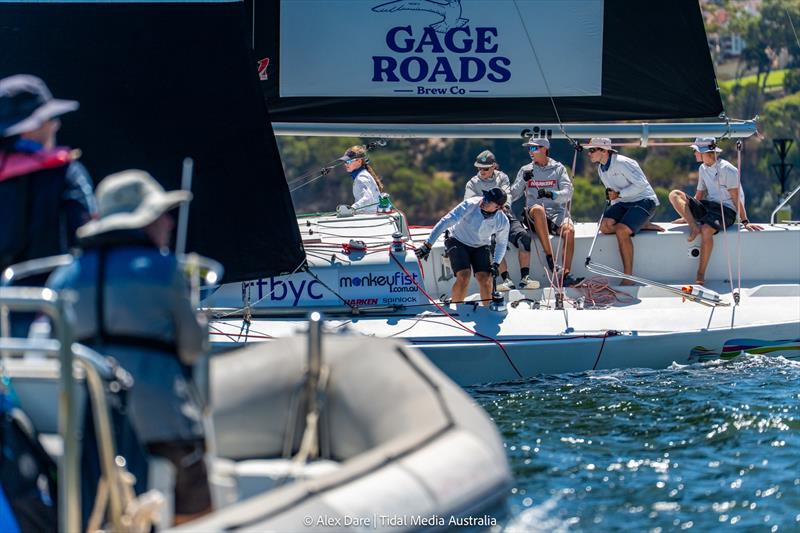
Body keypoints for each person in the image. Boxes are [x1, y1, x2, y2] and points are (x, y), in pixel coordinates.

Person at [47, 170, 212, 525]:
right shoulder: (164, 270)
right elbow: (192, 350)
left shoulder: (62, 279)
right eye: (160, 214)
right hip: (160, 427)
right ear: (145, 221)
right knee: (196, 480)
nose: (169, 222)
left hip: (86, 428)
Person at [0, 74, 96, 334]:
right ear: (28, 128)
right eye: (49, 118)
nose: (56, 124)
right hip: (50, 313)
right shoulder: (67, 174)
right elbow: (88, 238)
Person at [668, 137, 762, 284]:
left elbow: (736, 198)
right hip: (709, 206)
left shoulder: (728, 169)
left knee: (706, 230)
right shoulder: (702, 168)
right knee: (674, 194)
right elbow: (699, 195)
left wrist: (745, 221)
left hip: (727, 211)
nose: (694, 153)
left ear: (704, 152)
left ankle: (700, 274)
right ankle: (693, 226)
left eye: (696, 150)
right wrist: (688, 214)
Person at [584, 138, 661, 285]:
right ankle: (640, 224)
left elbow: (641, 184)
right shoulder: (601, 168)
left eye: (592, 150)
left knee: (621, 230)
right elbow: (614, 194)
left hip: (645, 201)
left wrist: (619, 195)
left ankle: (628, 277)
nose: (589, 153)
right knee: (604, 226)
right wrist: (616, 198)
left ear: (604, 151)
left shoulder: (622, 162)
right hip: (624, 202)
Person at [415, 188, 510, 305]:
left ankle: (487, 310)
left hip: (480, 245)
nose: (484, 200)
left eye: (488, 200)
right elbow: (445, 221)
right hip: (457, 240)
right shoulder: (470, 204)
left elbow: (501, 243)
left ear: (498, 207)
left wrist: (496, 264)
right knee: (464, 276)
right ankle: (458, 308)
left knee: (486, 279)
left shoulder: (503, 221)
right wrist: (427, 245)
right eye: (485, 197)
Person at [510, 138, 582, 287]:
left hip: (556, 213)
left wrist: (552, 194)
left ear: (544, 149)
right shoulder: (525, 170)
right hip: (533, 215)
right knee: (538, 209)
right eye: (529, 148)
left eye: (534, 148)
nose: (530, 152)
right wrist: (523, 181)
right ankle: (551, 259)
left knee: (569, 231)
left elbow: (568, 193)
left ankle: (565, 275)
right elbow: (513, 195)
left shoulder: (558, 168)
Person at [465, 150, 537, 290]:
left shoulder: (502, 177)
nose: (482, 171)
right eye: (479, 168)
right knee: (492, 242)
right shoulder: (472, 183)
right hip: (485, 220)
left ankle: (525, 278)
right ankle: (506, 280)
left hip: (504, 215)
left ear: (493, 166)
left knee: (524, 237)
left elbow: (507, 194)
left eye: (485, 168)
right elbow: (469, 203)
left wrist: (505, 206)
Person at [338, 145, 385, 214]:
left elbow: (368, 198)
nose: (346, 164)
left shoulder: (361, 177)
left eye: (349, 161)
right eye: (345, 162)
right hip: (371, 214)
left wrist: (352, 209)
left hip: (369, 215)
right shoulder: (363, 174)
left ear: (359, 161)